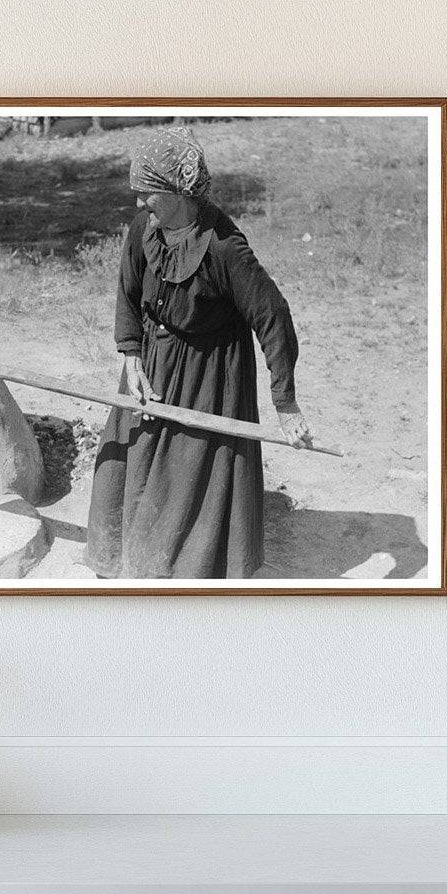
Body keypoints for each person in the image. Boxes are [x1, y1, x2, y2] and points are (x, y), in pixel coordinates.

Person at [83, 125, 313, 579]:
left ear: (178, 191)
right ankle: (127, 557)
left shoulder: (225, 249)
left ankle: (185, 569)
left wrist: (285, 404)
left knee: (187, 473)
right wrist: (131, 355)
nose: (138, 203)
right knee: (130, 451)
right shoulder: (143, 228)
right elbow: (128, 291)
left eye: (147, 193)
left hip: (209, 372)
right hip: (152, 359)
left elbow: (273, 318)